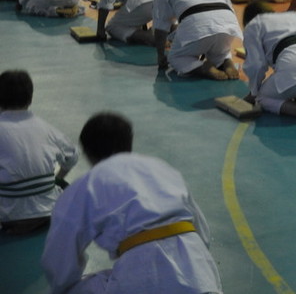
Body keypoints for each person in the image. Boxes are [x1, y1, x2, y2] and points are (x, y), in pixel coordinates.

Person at [41, 112, 223, 293]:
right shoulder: (163, 170)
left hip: (145, 276)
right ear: (129, 144)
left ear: (88, 153)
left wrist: (61, 286)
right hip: (199, 274)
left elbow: (60, 258)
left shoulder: (86, 185)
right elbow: (203, 235)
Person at [0, 70, 78, 234]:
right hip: (47, 213)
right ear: (30, 98)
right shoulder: (46, 128)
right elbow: (72, 156)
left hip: (8, 216)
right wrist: (58, 178)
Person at [153, 0, 242, 80]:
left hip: (196, 22)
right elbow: (229, 6)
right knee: (220, 51)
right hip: (227, 23)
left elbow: (161, 24)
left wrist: (161, 56)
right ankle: (225, 61)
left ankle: (203, 68)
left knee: (176, 57)